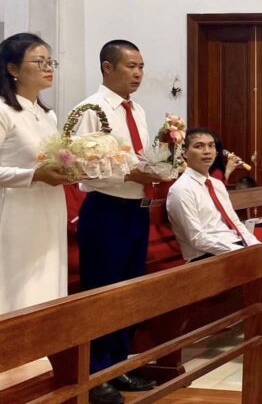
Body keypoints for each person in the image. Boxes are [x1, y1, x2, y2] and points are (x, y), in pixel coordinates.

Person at [74, 40, 164, 404]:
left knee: (129, 292)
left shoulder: (137, 109)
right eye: (131, 66)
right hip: (106, 210)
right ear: (107, 68)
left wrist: (159, 166)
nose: (138, 73)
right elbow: (83, 168)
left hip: (136, 210)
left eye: (141, 66)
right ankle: (95, 375)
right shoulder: (91, 110)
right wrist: (128, 176)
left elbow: (138, 158)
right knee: (104, 292)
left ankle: (117, 365)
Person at [165, 127, 262, 352]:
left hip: (237, 248)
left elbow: (235, 221)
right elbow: (197, 239)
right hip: (207, 257)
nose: (207, 151)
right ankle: (260, 341)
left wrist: (257, 247)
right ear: (185, 153)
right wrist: (244, 252)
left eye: (211, 146)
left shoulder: (216, 184)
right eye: (199, 146)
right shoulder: (181, 190)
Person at [0, 33, 74, 314]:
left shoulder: (48, 115)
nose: (48, 68)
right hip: (16, 210)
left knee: (49, 279)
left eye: (50, 61)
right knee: (18, 287)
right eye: (39, 61)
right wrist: (34, 176)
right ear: (13, 68)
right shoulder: (3, 111)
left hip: (50, 205)